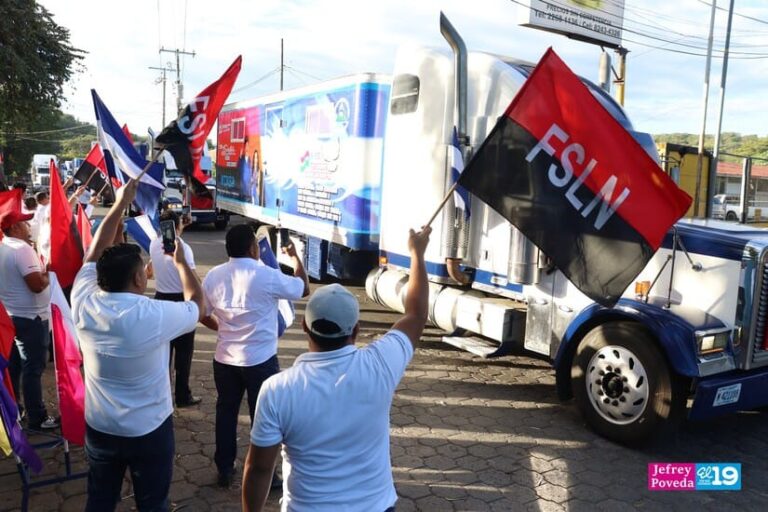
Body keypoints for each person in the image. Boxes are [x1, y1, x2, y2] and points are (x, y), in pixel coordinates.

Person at [242, 226, 431, 512]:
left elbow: (258, 468)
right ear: (355, 330)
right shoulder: (380, 364)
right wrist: (417, 253)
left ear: (305, 327)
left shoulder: (277, 390)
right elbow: (416, 314)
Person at [71, 179, 205, 511]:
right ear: (138, 279)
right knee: (152, 503)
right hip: (149, 430)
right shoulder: (152, 315)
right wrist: (182, 264)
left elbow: (93, 253)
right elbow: (197, 305)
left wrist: (118, 205)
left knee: (100, 500)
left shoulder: (83, 298)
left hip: (100, 427)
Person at [201, 224, 309, 488]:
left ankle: (225, 468)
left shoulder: (213, 276)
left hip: (225, 359)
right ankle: (268, 474)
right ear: (253, 249)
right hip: (260, 361)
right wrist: (295, 256)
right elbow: (303, 288)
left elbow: (201, 312)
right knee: (263, 418)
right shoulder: (267, 275)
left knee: (225, 412)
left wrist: (221, 328)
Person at [0, 207, 58, 430]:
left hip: (12, 315)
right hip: (31, 317)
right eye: (24, 223)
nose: (28, 226)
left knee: (15, 366)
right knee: (33, 368)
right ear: (14, 227)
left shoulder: (4, 246)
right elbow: (36, 285)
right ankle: (37, 417)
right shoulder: (21, 249)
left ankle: (15, 409)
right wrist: (48, 272)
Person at [147, 210, 201, 407]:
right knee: (184, 353)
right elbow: (192, 277)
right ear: (177, 225)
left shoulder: (154, 243)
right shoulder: (184, 249)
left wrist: (179, 228)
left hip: (161, 299)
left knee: (164, 353)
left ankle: (163, 396)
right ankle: (182, 395)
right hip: (181, 300)